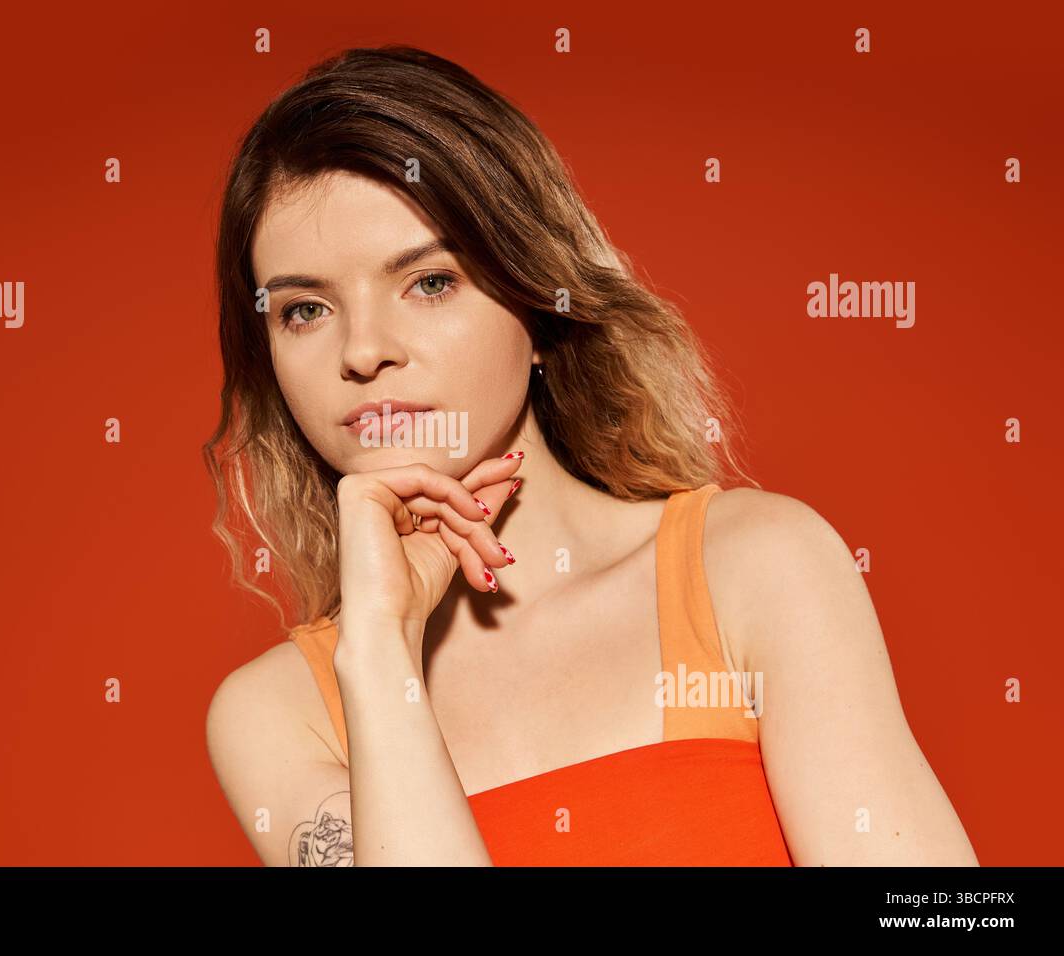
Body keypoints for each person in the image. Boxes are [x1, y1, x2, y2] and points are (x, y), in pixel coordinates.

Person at [203, 45, 979, 867]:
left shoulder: (756, 568)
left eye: (429, 282)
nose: (363, 351)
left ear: (536, 297)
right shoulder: (278, 712)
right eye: (305, 308)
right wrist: (382, 645)